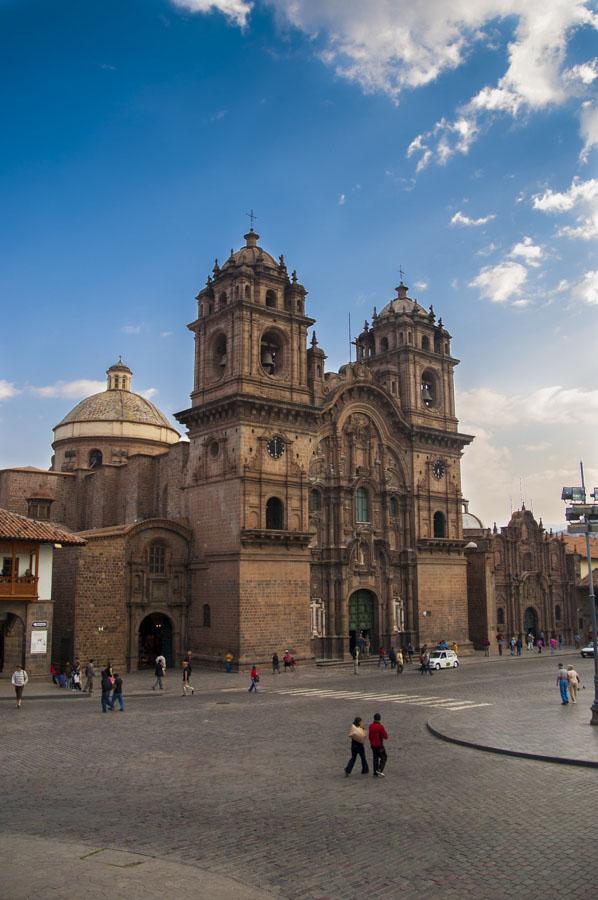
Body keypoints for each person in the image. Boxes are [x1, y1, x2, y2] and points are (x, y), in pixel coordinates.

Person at [368, 713, 388, 777]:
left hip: (372, 745)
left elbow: (370, 736)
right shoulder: (380, 727)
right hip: (379, 745)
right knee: (384, 757)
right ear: (380, 719)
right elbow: (385, 736)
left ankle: (375, 772)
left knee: (375, 758)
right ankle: (379, 770)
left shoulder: (370, 726)